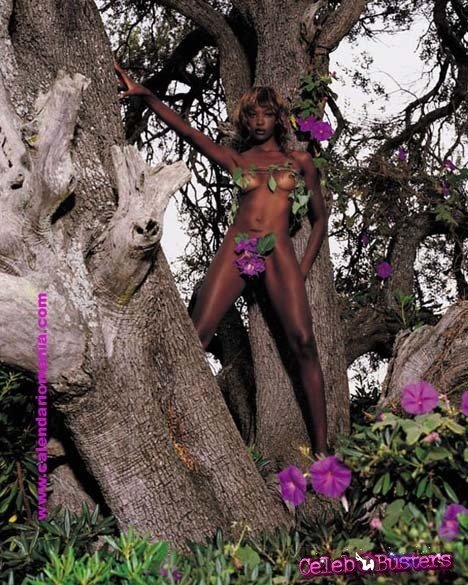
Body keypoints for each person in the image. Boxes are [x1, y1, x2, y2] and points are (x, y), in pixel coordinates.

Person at [114, 60, 329, 456]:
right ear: (245, 120)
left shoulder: (299, 163)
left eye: (267, 113)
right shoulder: (238, 160)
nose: (260, 121)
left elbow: (320, 221)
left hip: (280, 251)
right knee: (196, 335)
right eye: (253, 114)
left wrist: (300, 270)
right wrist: (145, 94)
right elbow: (189, 132)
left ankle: (323, 450)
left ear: (278, 118)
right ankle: (164, 428)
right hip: (238, 247)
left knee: (304, 342)